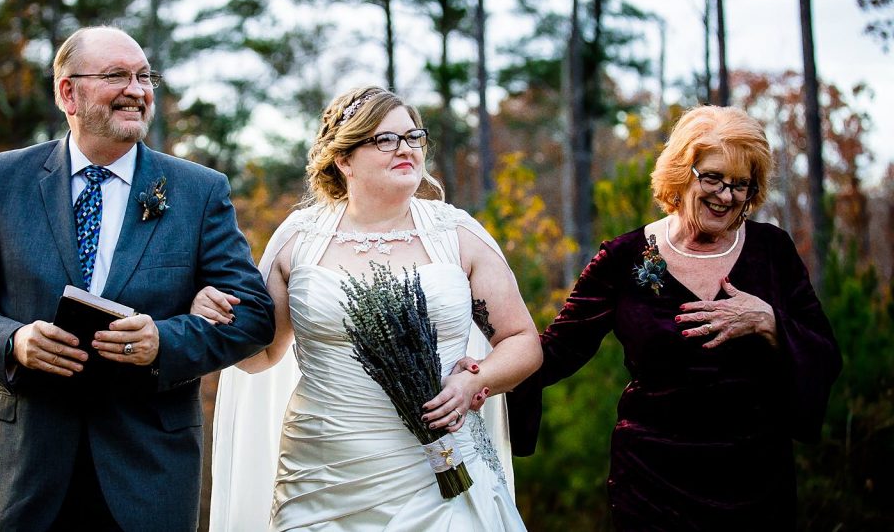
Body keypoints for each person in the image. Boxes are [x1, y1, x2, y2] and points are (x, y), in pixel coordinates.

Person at [0, 26, 275, 532]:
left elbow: (253, 317)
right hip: (27, 471)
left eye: (144, 76)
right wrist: (14, 341)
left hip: (149, 475)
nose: (137, 90)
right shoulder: (5, 179)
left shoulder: (198, 191)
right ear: (68, 92)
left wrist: (164, 340)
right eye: (117, 75)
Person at [193, 85, 542, 530]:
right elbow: (261, 355)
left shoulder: (456, 234)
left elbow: (522, 341)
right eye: (385, 139)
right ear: (344, 159)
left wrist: (475, 381)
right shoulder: (300, 239)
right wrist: (213, 318)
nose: (407, 149)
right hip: (323, 479)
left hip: (442, 469)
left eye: (413, 137)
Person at [505, 105, 842, 530]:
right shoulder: (624, 258)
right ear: (683, 173)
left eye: (740, 184)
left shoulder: (773, 251)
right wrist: (484, 369)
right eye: (713, 178)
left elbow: (824, 354)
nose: (726, 195)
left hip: (755, 481)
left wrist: (768, 321)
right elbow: (555, 350)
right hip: (653, 482)